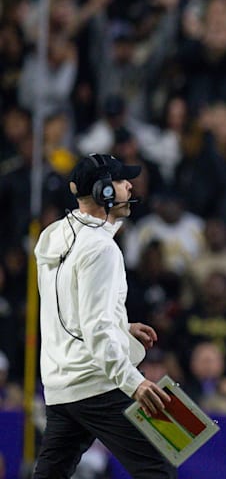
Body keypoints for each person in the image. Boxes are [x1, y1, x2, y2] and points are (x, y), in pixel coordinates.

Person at [33, 153, 175, 478]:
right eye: (122, 180)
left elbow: (67, 309)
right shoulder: (102, 248)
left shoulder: (53, 235)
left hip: (59, 385)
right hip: (96, 383)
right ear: (104, 193)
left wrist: (120, 325)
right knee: (157, 469)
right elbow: (96, 329)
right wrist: (134, 383)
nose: (129, 185)